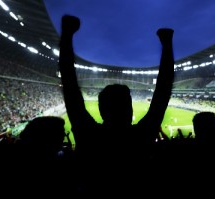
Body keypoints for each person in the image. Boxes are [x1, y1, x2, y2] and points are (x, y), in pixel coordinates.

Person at [58, 15, 174, 196]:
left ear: (102, 110)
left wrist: (67, 35)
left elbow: (70, 87)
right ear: (130, 110)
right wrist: (167, 43)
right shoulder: (141, 136)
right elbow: (163, 92)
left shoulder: (88, 134)